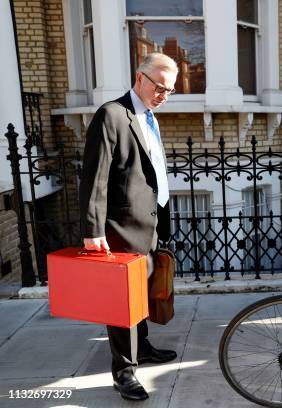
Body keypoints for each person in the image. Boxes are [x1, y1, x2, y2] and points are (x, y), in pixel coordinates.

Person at [79, 53, 178, 401]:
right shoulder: (112, 114)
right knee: (122, 303)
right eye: (160, 87)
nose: (164, 95)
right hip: (121, 228)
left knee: (144, 294)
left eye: (170, 90)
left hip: (149, 224)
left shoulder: (147, 116)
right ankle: (124, 372)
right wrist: (93, 231)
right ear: (140, 78)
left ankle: (144, 347)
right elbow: (94, 178)